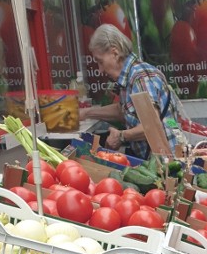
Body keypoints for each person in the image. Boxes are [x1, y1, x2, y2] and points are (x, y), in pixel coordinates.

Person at [79, 24, 185, 159]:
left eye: (100, 61)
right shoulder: (130, 77)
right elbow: (122, 110)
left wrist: (121, 136)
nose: (100, 69)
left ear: (115, 53)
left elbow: (152, 126)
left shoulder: (140, 77)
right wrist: (86, 113)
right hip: (156, 160)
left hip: (167, 165)